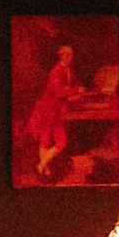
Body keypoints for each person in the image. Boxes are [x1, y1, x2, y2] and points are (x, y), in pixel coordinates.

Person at [27, 42, 84, 180]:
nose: (71, 57)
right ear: (62, 56)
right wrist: (76, 90)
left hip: (57, 110)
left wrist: (81, 88)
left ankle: (41, 166)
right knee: (46, 141)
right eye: (68, 54)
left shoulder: (69, 69)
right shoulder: (56, 71)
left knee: (60, 142)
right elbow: (58, 91)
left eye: (71, 54)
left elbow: (76, 83)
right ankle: (44, 171)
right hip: (47, 110)